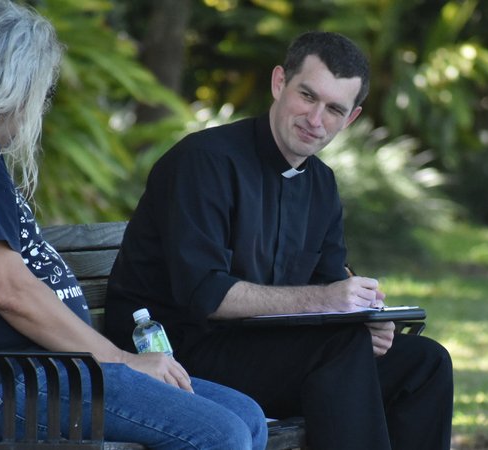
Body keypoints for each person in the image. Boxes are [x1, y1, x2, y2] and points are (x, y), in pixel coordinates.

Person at [0, 1, 268, 448]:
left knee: (245, 415)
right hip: (7, 384)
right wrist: (118, 361)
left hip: (50, 375)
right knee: (221, 433)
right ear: (16, 81)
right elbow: (10, 290)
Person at [104, 31, 453, 450]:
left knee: (425, 363)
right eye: (307, 96)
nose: (315, 119)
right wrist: (328, 304)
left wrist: (365, 322)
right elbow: (205, 295)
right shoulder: (204, 162)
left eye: (334, 109)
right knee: (340, 351)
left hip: (268, 351)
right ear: (278, 83)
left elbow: (329, 285)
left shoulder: (322, 184)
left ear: (351, 119)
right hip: (176, 352)